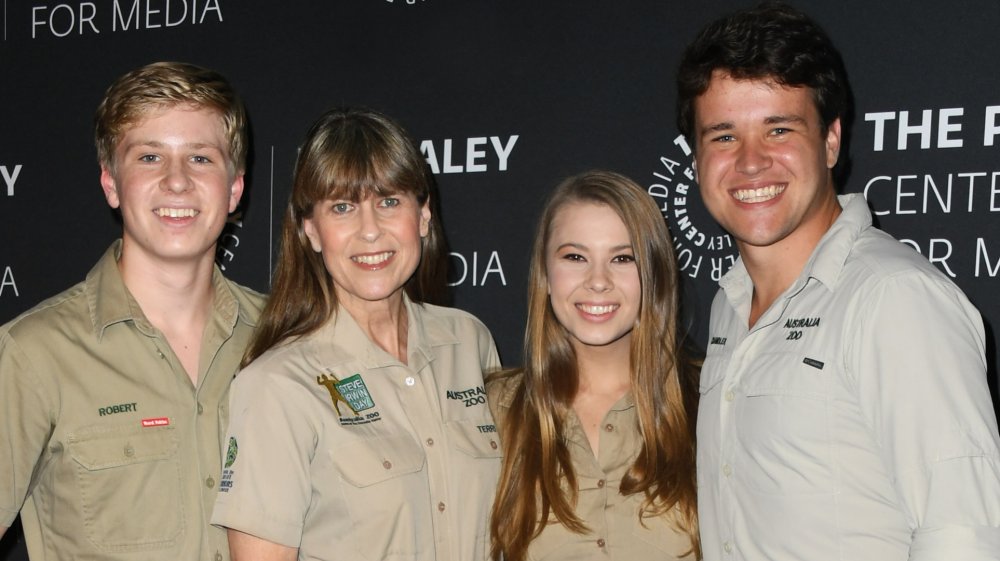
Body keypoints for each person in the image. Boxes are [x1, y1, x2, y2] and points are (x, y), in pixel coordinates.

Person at [676, 3, 1000, 560]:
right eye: (724, 137)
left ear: (830, 141)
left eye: (779, 128)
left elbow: (965, 532)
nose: (751, 162)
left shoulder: (894, 298)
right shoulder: (729, 305)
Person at [211, 107, 502, 561]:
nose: (370, 231)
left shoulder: (469, 342)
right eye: (343, 207)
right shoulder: (276, 385)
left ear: (423, 215)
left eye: (389, 201)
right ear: (311, 230)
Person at [0, 62, 264, 560]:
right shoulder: (34, 354)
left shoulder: (286, 336)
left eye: (201, 158)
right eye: (149, 157)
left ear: (235, 188)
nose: (177, 182)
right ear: (111, 184)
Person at [487, 170, 701, 561]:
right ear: (546, 275)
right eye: (575, 257)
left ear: (653, 273)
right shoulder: (492, 410)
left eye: (622, 258)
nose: (598, 280)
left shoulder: (712, 401)